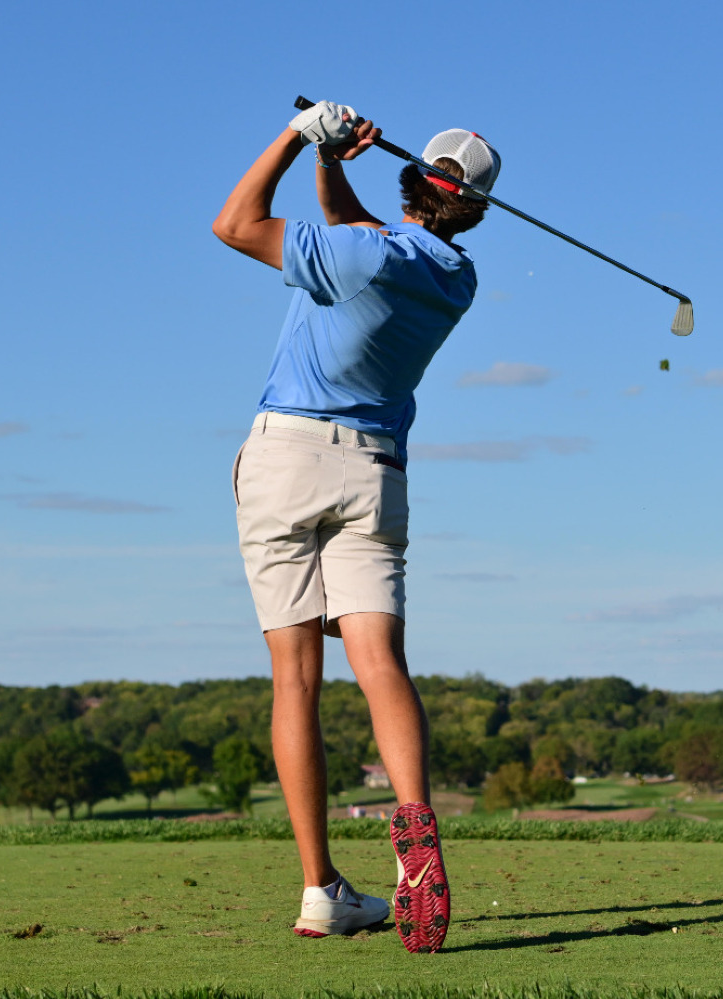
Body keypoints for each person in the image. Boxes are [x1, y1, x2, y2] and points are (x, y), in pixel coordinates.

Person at [211, 101, 498, 954]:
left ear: (412, 181)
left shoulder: (358, 254)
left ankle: (320, 890)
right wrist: (333, 165)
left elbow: (234, 225)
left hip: (285, 458)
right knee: (379, 662)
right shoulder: (454, 279)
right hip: (376, 470)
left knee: (295, 677)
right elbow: (353, 233)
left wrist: (300, 138)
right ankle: (414, 824)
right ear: (473, 208)